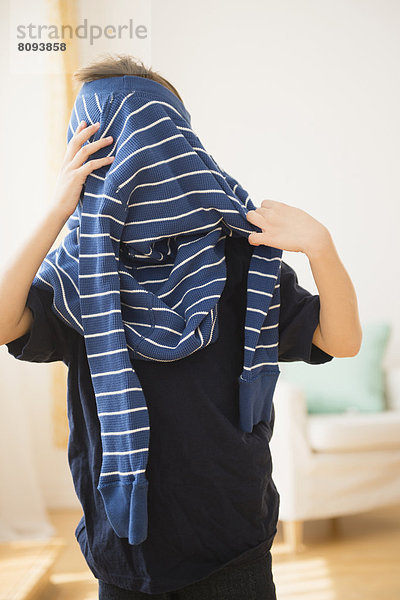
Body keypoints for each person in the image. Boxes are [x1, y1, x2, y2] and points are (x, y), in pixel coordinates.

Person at [0, 55, 362, 599]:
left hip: (233, 536)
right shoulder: (81, 272)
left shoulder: (241, 256)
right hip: (125, 547)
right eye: (103, 147)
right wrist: (57, 211)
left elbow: (341, 340)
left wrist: (321, 247)